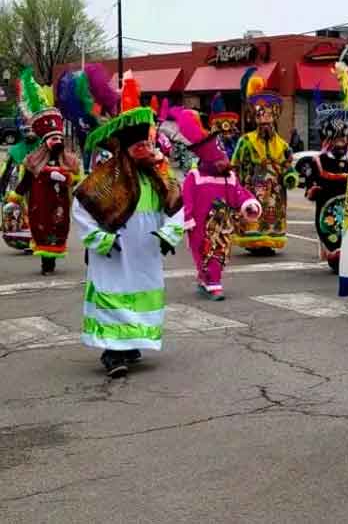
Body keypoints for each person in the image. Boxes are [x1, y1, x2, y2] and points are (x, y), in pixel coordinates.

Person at [74, 76, 185, 378]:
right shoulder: (106, 179)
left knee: (142, 295)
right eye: (140, 146)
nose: (148, 150)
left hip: (146, 250)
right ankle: (113, 352)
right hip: (116, 251)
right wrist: (103, 240)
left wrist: (169, 233)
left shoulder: (158, 177)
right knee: (114, 294)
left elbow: (176, 207)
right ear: (125, 149)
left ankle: (131, 341)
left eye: (149, 144)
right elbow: (82, 209)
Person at [167, 106, 261, 301]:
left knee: (218, 254)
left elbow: (239, 193)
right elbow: (187, 200)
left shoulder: (230, 176)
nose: (223, 163)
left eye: (223, 159)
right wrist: (188, 220)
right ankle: (209, 281)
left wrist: (249, 204)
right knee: (202, 254)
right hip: (200, 227)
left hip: (223, 226)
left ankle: (210, 281)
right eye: (219, 160)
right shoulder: (195, 176)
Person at [15, 69, 81, 275]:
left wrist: (67, 177)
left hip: (60, 203)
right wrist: (16, 195)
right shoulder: (34, 159)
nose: (58, 142)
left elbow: (77, 182)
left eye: (60, 139)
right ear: (45, 142)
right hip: (40, 202)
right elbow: (26, 179)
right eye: (54, 140)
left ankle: (52, 259)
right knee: (42, 228)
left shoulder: (68, 159)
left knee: (58, 228)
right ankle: (46, 262)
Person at [231, 73, 298, 254]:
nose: (266, 125)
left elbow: (288, 164)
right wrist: (233, 182)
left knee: (272, 215)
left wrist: (290, 176)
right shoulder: (245, 141)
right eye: (262, 121)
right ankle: (254, 243)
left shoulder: (282, 144)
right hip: (252, 188)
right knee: (253, 214)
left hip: (275, 192)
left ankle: (269, 242)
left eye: (269, 120)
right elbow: (235, 164)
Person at [301, 64, 348, 272]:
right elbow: (311, 184)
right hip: (329, 209)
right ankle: (334, 253)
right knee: (332, 231)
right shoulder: (318, 161)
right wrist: (313, 189)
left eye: (344, 137)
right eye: (337, 138)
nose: (341, 141)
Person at [1, 121, 37, 252]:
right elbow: (6, 170)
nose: (30, 133)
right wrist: (3, 188)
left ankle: (37, 240)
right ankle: (26, 241)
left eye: (32, 130)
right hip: (19, 187)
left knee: (36, 213)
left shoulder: (43, 147)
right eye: (27, 130)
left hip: (38, 186)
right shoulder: (15, 149)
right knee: (21, 214)